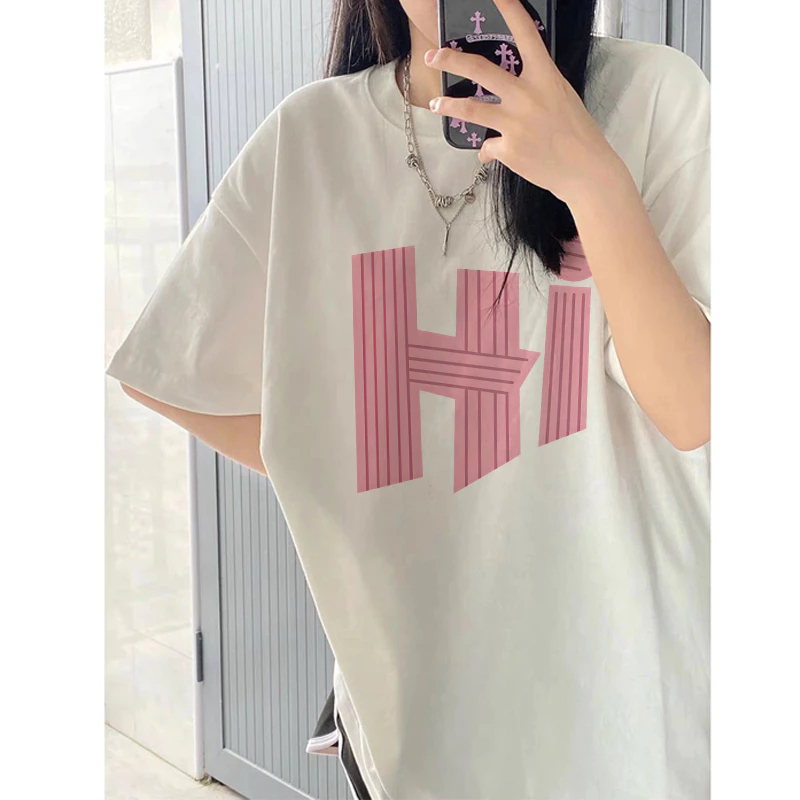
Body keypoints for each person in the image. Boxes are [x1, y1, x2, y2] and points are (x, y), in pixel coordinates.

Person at [105, 0, 711, 797]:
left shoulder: (656, 96)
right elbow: (172, 367)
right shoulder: (313, 138)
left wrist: (591, 178)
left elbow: (694, 410)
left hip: (633, 720)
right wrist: (354, 467)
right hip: (413, 729)